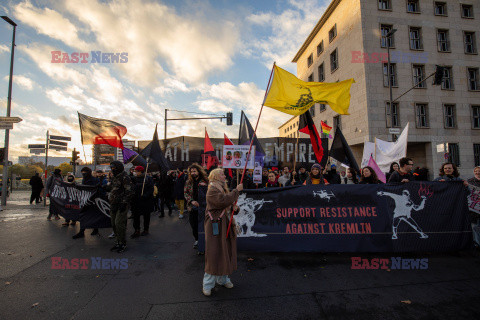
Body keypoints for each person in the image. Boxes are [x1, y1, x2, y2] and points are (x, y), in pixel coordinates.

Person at [203, 168, 243, 297]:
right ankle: (208, 284)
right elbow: (221, 201)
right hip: (215, 224)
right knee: (214, 252)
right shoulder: (211, 190)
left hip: (225, 223)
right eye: (221, 174)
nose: (224, 175)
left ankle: (223, 279)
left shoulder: (222, 188)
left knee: (226, 250)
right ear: (215, 176)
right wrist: (236, 191)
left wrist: (234, 208)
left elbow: (227, 204)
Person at [107, 161, 134, 253]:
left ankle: (122, 243)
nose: (112, 169)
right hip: (113, 203)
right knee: (113, 223)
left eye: (114, 168)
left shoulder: (125, 177)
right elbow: (112, 188)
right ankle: (117, 242)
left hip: (122, 204)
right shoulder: (115, 177)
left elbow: (129, 191)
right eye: (111, 168)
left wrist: (124, 203)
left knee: (119, 223)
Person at [184, 163, 208, 249]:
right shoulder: (188, 182)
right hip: (192, 207)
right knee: (193, 224)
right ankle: (197, 239)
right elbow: (185, 193)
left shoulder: (205, 181)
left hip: (203, 207)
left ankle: (204, 241)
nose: (193, 173)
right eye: (191, 172)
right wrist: (191, 201)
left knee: (203, 224)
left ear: (199, 171)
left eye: (194, 171)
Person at [73, 167, 100, 239]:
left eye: (85, 172)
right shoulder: (84, 180)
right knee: (83, 215)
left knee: (94, 215)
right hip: (85, 200)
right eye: (82, 172)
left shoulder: (95, 180)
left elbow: (98, 189)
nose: (83, 173)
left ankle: (95, 229)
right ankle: (82, 231)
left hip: (93, 201)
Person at [130, 166, 154, 238]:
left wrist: (145, 195)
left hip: (145, 201)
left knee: (146, 216)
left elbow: (151, 189)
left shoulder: (148, 178)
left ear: (141, 171)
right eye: (135, 171)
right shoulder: (134, 179)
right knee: (136, 216)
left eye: (136, 171)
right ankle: (137, 230)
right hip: (136, 201)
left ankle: (146, 230)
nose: (135, 172)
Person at [467, 167, 480, 247]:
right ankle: (477, 244)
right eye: (476, 171)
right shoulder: (469, 181)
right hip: (474, 209)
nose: (477, 172)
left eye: (479, 171)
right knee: (474, 226)